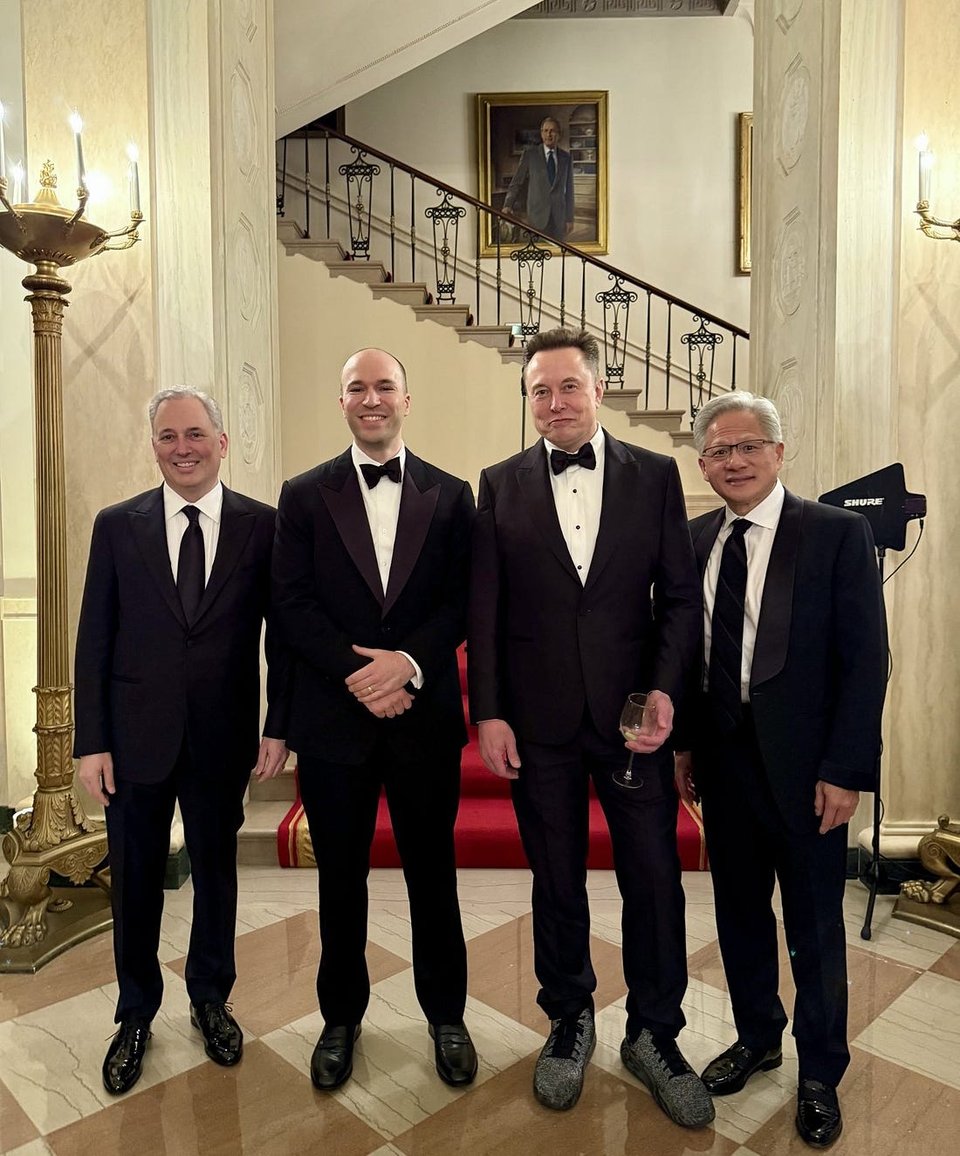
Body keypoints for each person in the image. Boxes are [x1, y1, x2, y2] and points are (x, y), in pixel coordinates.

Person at [468, 327, 714, 1127]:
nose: (554, 402)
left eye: (568, 386)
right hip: (537, 722)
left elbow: (680, 598)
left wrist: (665, 692)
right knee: (555, 879)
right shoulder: (498, 483)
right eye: (539, 391)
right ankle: (569, 1019)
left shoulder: (656, 475)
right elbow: (486, 610)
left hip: (631, 720)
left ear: (598, 390)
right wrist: (489, 712)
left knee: (654, 879)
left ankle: (655, 1033)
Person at [673, 391, 886, 1149]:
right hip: (724, 763)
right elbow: (691, 656)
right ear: (703, 466)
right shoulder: (694, 538)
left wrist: (846, 769)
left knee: (815, 925)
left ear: (778, 452)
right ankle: (758, 1036)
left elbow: (867, 660)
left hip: (808, 772)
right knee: (738, 913)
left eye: (748, 446)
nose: (734, 461)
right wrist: (686, 746)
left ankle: (820, 1070)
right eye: (719, 451)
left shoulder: (836, 533)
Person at [271, 347, 478, 1093]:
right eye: (356, 387)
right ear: (342, 402)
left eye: (384, 385)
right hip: (336, 720)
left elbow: (463, 600)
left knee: (433, 876)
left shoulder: (452, 495)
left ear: (406, 399)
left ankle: (446, 1016)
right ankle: (340, 1018)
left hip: (423, 720)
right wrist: (362, 676)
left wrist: (408, 664)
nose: (371, 398)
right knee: (340, 881)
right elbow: (290, 604)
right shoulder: (303, 495)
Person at [74, 387, 290, 1096]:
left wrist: (278, 724)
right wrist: (91, 742)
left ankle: (210, 998)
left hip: (221, 737)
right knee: (135, 882)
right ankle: (135, 1013)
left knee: (217, 875)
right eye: (168, 437)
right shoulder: (118, 526)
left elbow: (283, 637)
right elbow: (95, 637)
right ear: (154, 447)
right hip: (133, 739)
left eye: (195, 434)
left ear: (222, 444)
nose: (182, 448)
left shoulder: (262, 525)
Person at [502, 115, 575, 243]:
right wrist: (508, 205)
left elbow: (569, 190)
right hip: (537, 216)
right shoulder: (530, 155)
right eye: (545, 131)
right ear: (541, 134)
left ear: (559, 134)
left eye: (552, 131)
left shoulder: (566, 158)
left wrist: (569, 218)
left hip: (559, 218)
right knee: (537, 252)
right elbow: (516, 183)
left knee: (558, 252)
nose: (549, 134)